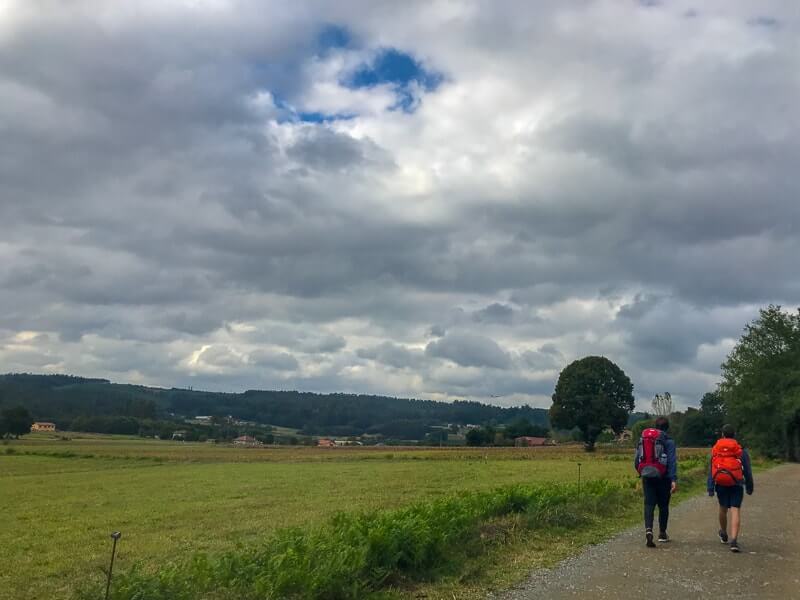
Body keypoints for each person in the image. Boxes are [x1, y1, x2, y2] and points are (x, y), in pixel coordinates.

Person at [708, 424, 754, 553]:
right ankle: (734, 541)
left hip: (721, 482)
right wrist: (749, 487)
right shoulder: (740, 451)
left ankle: (723, 532)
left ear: (722, 434)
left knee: (723, 509)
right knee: (735, 510)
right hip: (737, 483)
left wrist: (710, 487)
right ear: (734, 435)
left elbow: (711, 469)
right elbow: (748, 471)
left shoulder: (715, 449)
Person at [634, 416, 677, 547]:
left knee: (649, 504)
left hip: (647, 476)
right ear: (667, 428)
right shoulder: (669, 442)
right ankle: (662, 533)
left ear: (655, 426)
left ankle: (648, 530)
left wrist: (642, 472)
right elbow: (672, 462)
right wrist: (673, 479)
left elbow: (637, 460)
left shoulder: (645, 440)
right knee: (663, 506)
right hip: (663, 478)